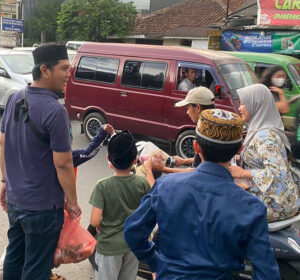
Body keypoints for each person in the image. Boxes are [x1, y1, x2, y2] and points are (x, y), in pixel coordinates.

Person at [124, 108, 280, 279]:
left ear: (196, 146)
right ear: (239, 149)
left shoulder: (164, 187)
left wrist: (156, 263)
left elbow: (133, 231)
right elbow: (267, 273)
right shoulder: (251, 207)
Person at [0, 44, 81, 280]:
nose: (68, 74)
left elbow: (3, 143)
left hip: (15, 202)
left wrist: (5, 181)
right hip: (43, 209)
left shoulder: (15, 97)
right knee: (36, 269)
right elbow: (63, 163)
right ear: (45, 70)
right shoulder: (55, 111)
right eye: (64, 68)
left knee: (14, 259)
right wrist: (73, 202)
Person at [0, 124, 114, 280]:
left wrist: (5, 183)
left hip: (19, 207)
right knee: (37, 260)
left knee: (15, 253)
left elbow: (4, 146)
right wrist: (102, 133)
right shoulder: (64, 158)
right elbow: (88, 153)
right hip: (44, 214)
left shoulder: (29, 151)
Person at [230, 84, 299, 222]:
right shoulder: (259, 129)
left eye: (244, 104)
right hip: (273, 196)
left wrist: (242, 173)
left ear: (256, 104)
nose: (239, 108)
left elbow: (277, 174)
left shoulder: (264, 136)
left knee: (224, 210)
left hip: (276, 203)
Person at [89, 130, 151, 280]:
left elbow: (95, 222)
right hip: (133, 244)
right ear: (135, 160)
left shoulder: (102, 186)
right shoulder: (142, 183)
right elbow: (148, 209)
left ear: (108, 158)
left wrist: (101, 223)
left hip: (109, 247)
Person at [142, 87, 215, 186]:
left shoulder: (206, 133)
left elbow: (198, 172)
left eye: (188, 108)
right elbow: (207, 162)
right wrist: (184, 161)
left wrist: (164, 169)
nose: (187, 112)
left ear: (197, 108)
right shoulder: (213, 126)